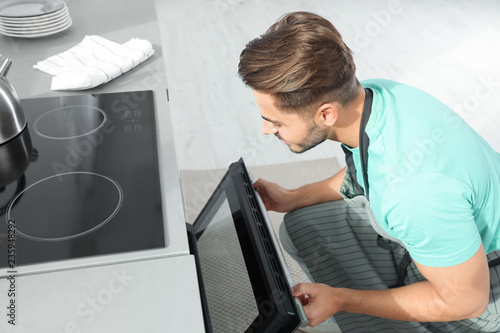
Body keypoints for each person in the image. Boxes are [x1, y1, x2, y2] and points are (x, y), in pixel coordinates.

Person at [238, 11, 500, 333]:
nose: (266, 130)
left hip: (484, 285)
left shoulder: (410, 193)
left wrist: (342, 299)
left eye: (276, 122)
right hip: (455, 236)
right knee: (303, 225)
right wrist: (294, 197)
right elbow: (367, 167)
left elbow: (466, 301)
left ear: (326, 114)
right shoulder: (374, 95)